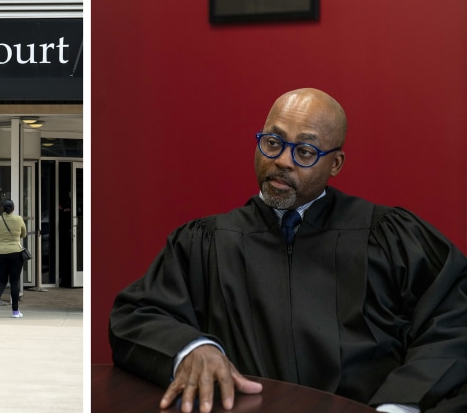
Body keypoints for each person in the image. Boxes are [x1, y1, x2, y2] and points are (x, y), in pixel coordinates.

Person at [109, 88, 467, 413]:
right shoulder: (205, 243)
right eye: (273, 142)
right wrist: (191, 348)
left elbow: (455, 317)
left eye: (306, 151)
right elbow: (136, 315)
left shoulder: (390, 237)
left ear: (335, 164)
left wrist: (400, 405)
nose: (283, 160)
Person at [0, 199, 27, 318]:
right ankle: (15, 312)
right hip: (15, 252)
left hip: (0, 252)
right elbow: (24, 234)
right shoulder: (19, 219)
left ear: (2, 208)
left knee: (1, 280)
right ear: (13, 209)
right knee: (14, 282)